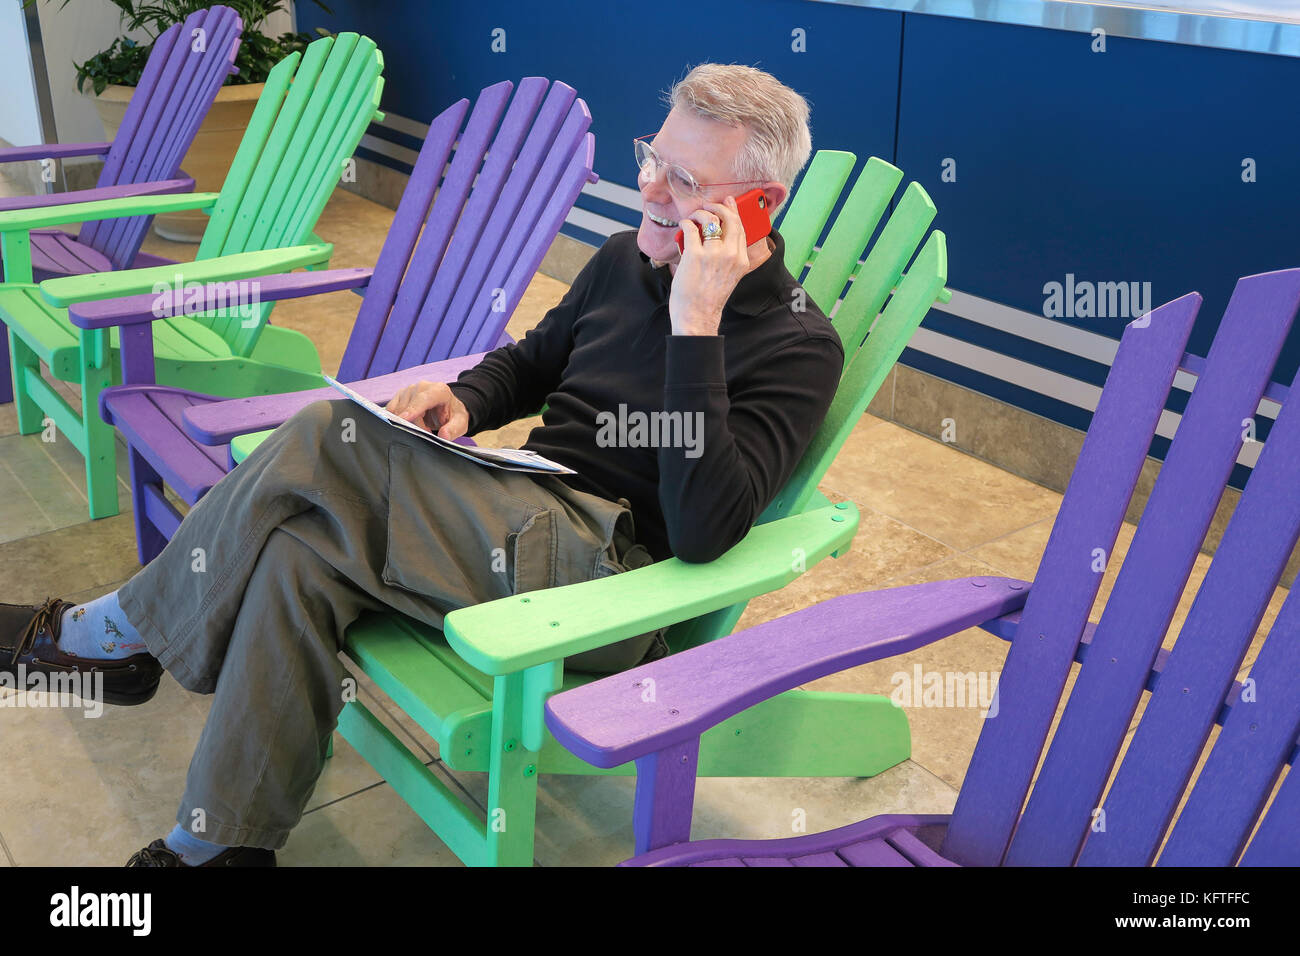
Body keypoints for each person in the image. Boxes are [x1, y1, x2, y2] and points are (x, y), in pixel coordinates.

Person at [0, 63, 843, 866]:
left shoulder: (798, 346)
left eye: (685, 181)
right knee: (297, 553)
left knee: (331, 434)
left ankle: (107, 636)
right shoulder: (627, 258)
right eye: (652, 159)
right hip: (514, 513)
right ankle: (218, 846)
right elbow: (533, 360)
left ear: (759, 208)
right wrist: (466, 401)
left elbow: (703, 532)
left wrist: (698, 326)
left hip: (603, 583)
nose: (651, 189)